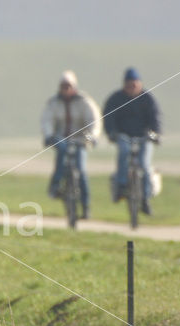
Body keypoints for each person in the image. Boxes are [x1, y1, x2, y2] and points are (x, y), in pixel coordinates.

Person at [41, 70, 102, 219]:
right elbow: (47, 120)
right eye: (63, 86)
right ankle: (55, 186)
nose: (66, 89)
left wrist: (92, 136)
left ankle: (85, 206)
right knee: (61, 154)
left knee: (81, 171)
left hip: (80, 139)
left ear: (74, 87)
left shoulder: (84, 101)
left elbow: (94, 120)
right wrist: (49, 136)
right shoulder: (53, 102)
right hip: (61, 138)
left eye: (68, 86)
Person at [103, 67, 161, 216]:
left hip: (144, 137)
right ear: (124, 85)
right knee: (123, 152)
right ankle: (122, 186)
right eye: (129, 84)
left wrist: (156, 134)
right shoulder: (116, 99)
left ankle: (146, 199)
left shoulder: (148, 99)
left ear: (140, 84)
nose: (132, 87)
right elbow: (108, 117)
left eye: (134, 84)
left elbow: (155, 118)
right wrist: (112, 133)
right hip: (123, 136)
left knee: (144, 164)